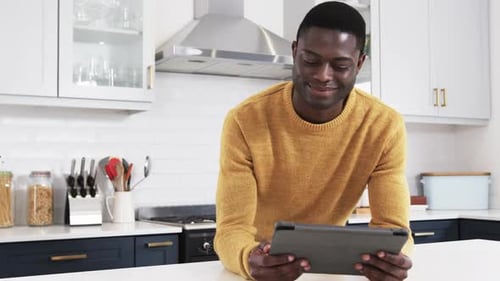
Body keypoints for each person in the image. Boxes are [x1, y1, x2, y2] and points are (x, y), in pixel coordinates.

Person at [214, 1, 413, 280]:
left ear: (359, 63)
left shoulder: (383, 126)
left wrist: (394, 258)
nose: (323, 75)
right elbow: (230, 231)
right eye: (311, 61)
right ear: (295, 52)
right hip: (260, 267)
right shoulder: (245, 121)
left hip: (331, 270)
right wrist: (249, 258)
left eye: (340, 65)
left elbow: (394, 228)